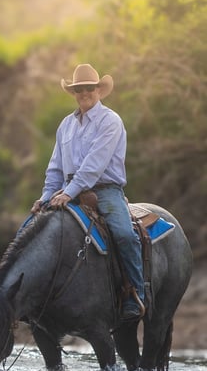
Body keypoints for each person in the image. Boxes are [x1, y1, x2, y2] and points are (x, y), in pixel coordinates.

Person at [31, 63, 145, 321]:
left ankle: (135, 293)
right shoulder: (65, 125)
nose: (84, 93)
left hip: (105, 190)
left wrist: (69, 193)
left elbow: (94, 165)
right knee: (31, 229)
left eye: (89, 88)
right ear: (73, 93)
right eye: (79, 89)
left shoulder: (110, 121)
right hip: (67, 189)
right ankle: (36, 297)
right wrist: (46, 196)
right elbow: (55, 167)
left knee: (124, 235)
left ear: (99, 90)